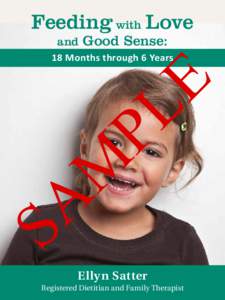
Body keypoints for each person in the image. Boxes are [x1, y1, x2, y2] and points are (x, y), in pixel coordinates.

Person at [2, 69, 208, 265]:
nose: (126, 161)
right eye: (114, 143)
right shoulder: (40, 228)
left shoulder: (182, 244)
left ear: (172, 171)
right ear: (85, 147)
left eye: (151, 152)